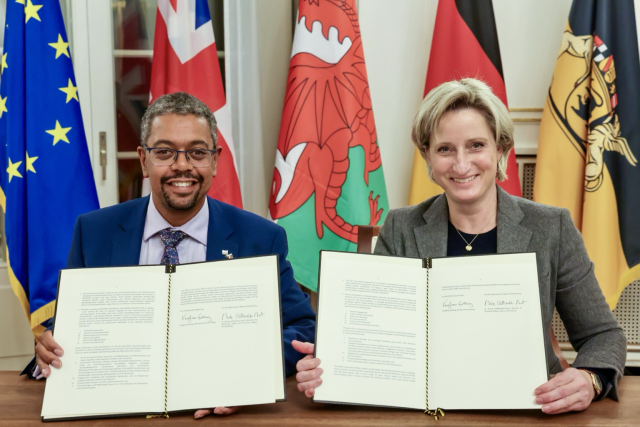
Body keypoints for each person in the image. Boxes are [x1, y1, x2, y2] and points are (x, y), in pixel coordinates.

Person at [293, 78, 626, 414]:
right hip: (426, 414)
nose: (462, 164)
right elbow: (375, 341)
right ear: (427, 155)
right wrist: (328, 372)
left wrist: (590, 379)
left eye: (477, 145)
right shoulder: (401, 227)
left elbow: (602, 335)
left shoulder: (551, 227)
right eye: (445, 149)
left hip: (528, 410)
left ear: (500, 148)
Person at [30, 92, 316, 419]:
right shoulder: (94, 232)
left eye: (197, 153)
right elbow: (68, 330)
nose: (182, 165)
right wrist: (49, 348)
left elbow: (300, 327)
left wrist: (245, 377)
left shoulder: (261, 238)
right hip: (119, 412)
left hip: (218, 413)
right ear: (143, 160)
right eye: (165, 152)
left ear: (216, 160)